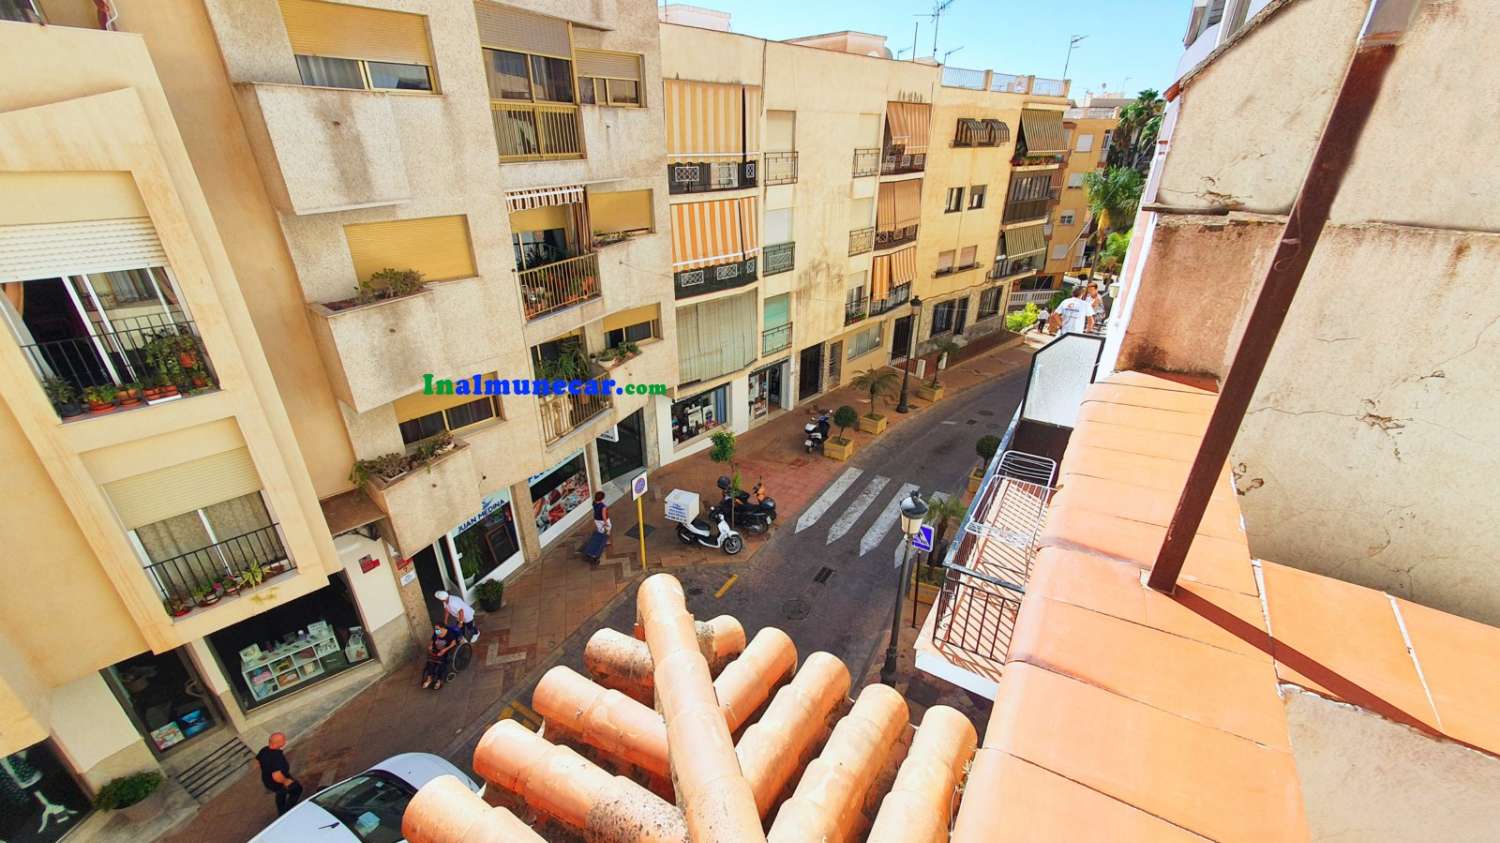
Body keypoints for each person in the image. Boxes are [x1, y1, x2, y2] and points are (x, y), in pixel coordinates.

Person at [257, 732, 303, 816]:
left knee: (280, 793)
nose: (285, 741)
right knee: (297, 789)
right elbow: (276, 775)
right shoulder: (277, 757)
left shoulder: (264, 750)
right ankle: (287, 812)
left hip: (267, 780)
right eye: (283, 740)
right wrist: (286, 781)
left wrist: (267, 768)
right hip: (277, 781)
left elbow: (258, 761)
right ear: (278, 743)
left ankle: (281, 809)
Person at [422, 624, 459, 690]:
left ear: (442, 628)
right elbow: (432, 640)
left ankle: (439, 680)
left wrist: (444, 650)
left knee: (442, 664)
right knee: (430, 662)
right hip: (436, 650)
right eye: (435, 628)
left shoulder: (449, 634)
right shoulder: (437, 632)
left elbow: (454, 643)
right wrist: (430, 645)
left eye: (437, 628)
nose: (436, 630)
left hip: (446, 651)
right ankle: (429, 679)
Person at [583, 491, 611, 566]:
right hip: (602, 521)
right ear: (602, 498)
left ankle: (603, 540)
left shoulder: (594, 502)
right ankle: (606, 541)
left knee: (600, 531)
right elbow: (604, 516)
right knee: (608, 529)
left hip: (596, 519)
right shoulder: (603, 506)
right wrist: (606, 523)